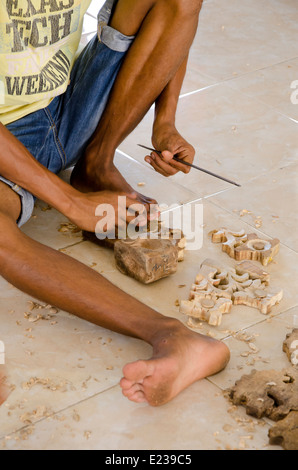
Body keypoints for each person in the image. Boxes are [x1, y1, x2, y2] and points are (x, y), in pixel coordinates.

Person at [0, 0, 230, 406]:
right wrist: (68, 201)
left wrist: (166, 121)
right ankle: (172, 335)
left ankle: (96, 161)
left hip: (66, 110)